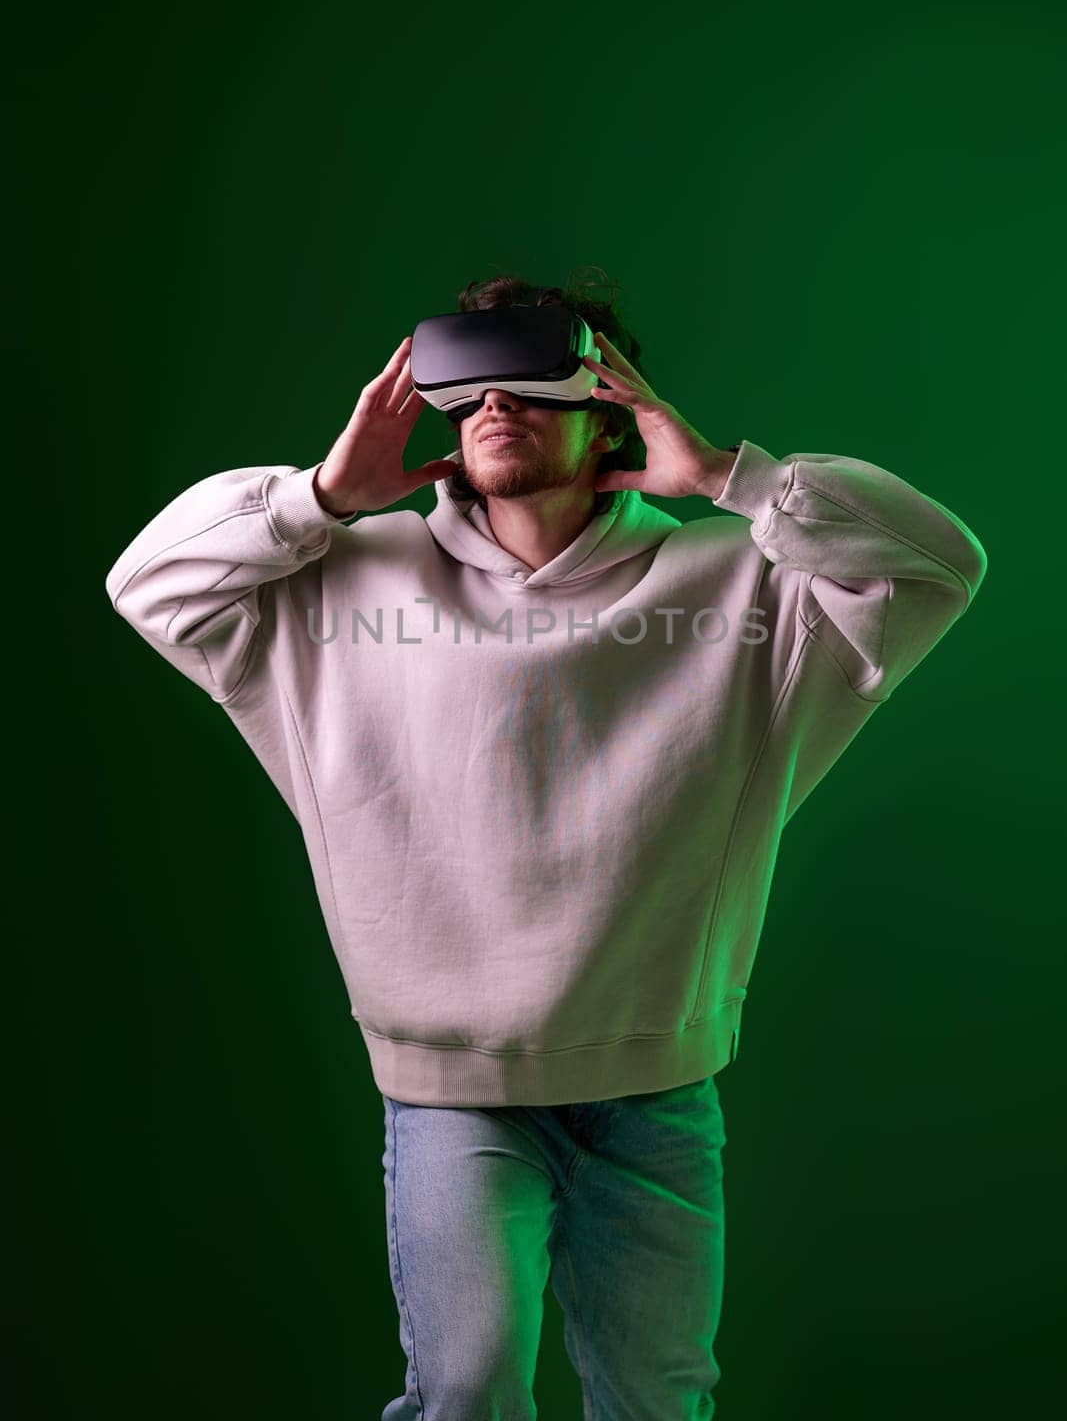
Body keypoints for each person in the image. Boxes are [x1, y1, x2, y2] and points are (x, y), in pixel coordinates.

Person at [104, 273, 988, 1419]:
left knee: (655, 1402)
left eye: (533, 380)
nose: (492, 403)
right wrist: (319, 496)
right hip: (447, 1092)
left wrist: (731, 477)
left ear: (609, 407)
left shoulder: (745, 590)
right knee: (463, 1393)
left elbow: (937, 561)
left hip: (654, 1086)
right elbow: (147, 581)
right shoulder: (340, 586)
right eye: (464, 386)